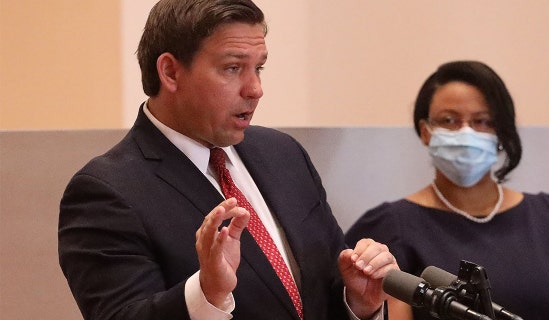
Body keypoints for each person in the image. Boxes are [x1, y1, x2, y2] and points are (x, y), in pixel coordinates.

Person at [57, 1, 398, 319]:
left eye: (258, 68)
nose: (255, 89)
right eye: (233, 68)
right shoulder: (107, 192)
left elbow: (322, 287)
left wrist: (357, 303)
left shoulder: (284, 154)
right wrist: (206, 294)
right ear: (170, 72)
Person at [345, 60, 549, 320]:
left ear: (501, 133)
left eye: (482, 121)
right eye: (449, 120)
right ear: (426, 131)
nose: (466, 132)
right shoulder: (391, 228)